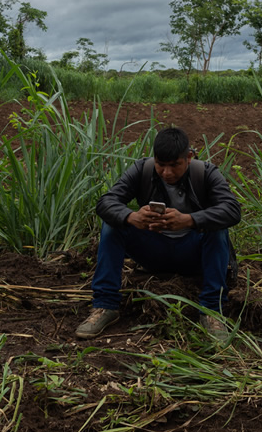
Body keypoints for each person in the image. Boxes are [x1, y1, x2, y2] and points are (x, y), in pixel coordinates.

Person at [77, 126, 241, 342]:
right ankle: (105, 306)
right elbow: (106, 202)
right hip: (153, 250)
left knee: (216, 228)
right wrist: (131, 216)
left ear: (189, 157)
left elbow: (232, 210)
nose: (166, 173)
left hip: (193, 254)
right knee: (113, 224)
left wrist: (190, 220)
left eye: (175, 165)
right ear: (154, 159)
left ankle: (211, 311)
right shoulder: (142, 170)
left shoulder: (207, 173)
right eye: (161, 165)